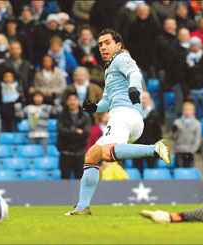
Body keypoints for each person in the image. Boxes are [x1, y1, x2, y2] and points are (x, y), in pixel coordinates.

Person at [65, 29, 170, 216]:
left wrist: (133, 88)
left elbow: (135, 74)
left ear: (118, 45)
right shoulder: (109, 70)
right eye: (100, 44)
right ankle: (82, 207)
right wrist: (94, 108)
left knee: (106, 153)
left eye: (107, 43)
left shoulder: (122, 58)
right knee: (91, 156)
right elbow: (107, 101)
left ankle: (154, 149)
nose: (103, 47)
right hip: (125, 117)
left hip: (125, 115)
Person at [57, 92, 91, 179]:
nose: (72, 102)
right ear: (67, 102)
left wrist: (69, 133)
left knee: (80, 180)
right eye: (70, 100)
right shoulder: (62, 116)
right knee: (65, 180)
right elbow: (61, 131)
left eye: (74, 100)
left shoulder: (85, 117)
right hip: (65, 153)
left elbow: (86, 133)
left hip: (80, 153)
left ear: (78, 102)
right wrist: (75, 132)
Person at [133, 91, 162, 173]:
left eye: (145, 98)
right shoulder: (134, 114)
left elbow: (158, 133)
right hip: (137, 147)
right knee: (137, 170)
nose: (143, 100)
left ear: (149, 100)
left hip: (151, 148)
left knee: (152, 169)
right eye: (141, 98)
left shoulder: (155, 115)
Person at [171, 101, 202, 168]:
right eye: (185, 109)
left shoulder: (197, 124)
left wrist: (192, 150)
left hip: (190, 152)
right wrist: (174, 131)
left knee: (189, 171)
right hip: (179, 151)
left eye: (190, 110)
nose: (187, 112)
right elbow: (173, 137)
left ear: (194, 112)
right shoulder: (177, 122)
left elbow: (197, 139)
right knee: (179, 170)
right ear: (183, 111)